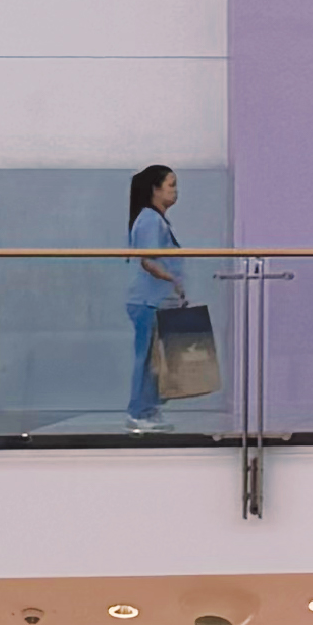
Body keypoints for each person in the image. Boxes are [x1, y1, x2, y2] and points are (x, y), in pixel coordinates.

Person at [125, 164, 185, 431]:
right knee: (147, 357)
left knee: (156, 358)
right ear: (155, 189)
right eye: (171, 185)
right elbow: (147, 260)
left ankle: (150, 409)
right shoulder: (150, 219)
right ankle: (139, 412)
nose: (175, 191)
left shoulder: (157, 220)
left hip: (156, 300)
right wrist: (173, 281)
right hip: (147, 301)